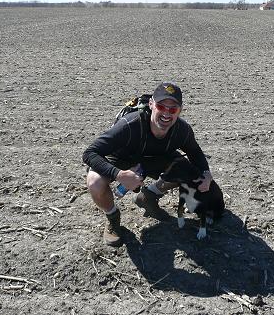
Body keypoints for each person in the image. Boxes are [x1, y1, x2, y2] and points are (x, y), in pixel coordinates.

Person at [82, 82, 213, 247]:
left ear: (180, 111)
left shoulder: (182, 130)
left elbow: (195, 153)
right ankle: (113, 218)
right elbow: (89, 153)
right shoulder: (130, 125)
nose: (166, 113)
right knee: (95, 182)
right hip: (122, 158)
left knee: (189, 170)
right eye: (161, 106)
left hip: (154, 159)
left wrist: (206, 173)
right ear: (151, 104)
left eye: (172, 109)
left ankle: (149, 196)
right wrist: (119, 174)